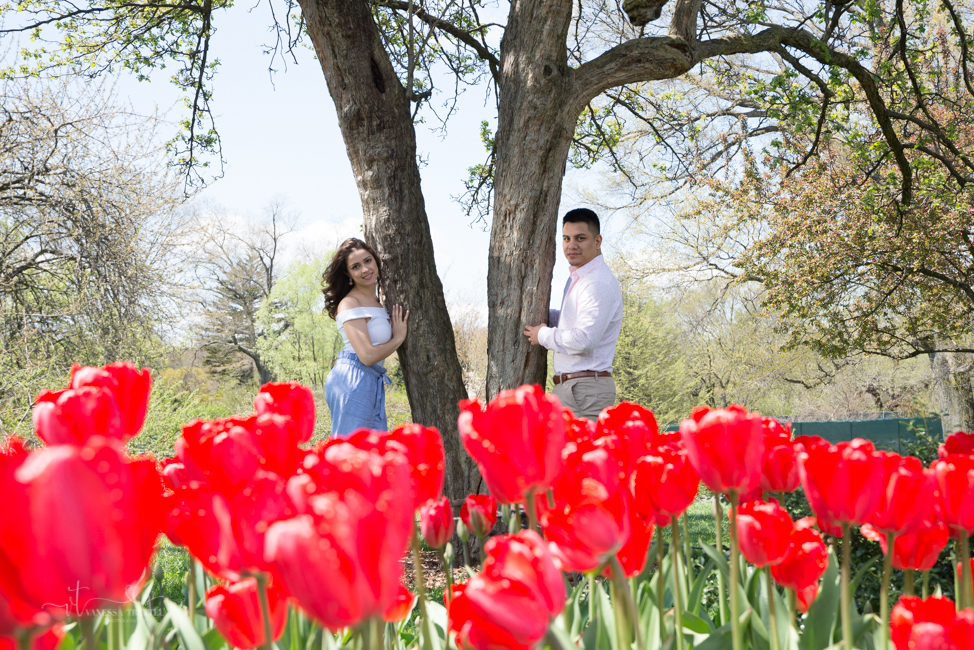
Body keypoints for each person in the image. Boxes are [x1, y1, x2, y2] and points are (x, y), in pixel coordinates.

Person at [523, 208, 623, 420]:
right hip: (577, 388)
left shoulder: (596, 282)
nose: (571, 245)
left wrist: (543, 335)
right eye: (566, 238)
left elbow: (584, 339)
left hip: (584, 391)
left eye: (580, 238)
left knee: (579, 453)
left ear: (597, 242)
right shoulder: (582, 278)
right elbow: (576, 322)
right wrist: (546, 317)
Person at [322, 238, 408, 437]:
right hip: (352, 379)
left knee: (371, 452)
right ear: (348, 274)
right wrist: (398, 338)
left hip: (369, 378)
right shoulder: (350, 303)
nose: (365, 269)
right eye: (356, 266)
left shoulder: (378, 301)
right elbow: (367, 355)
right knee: (351, 453)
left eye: (368, 261)